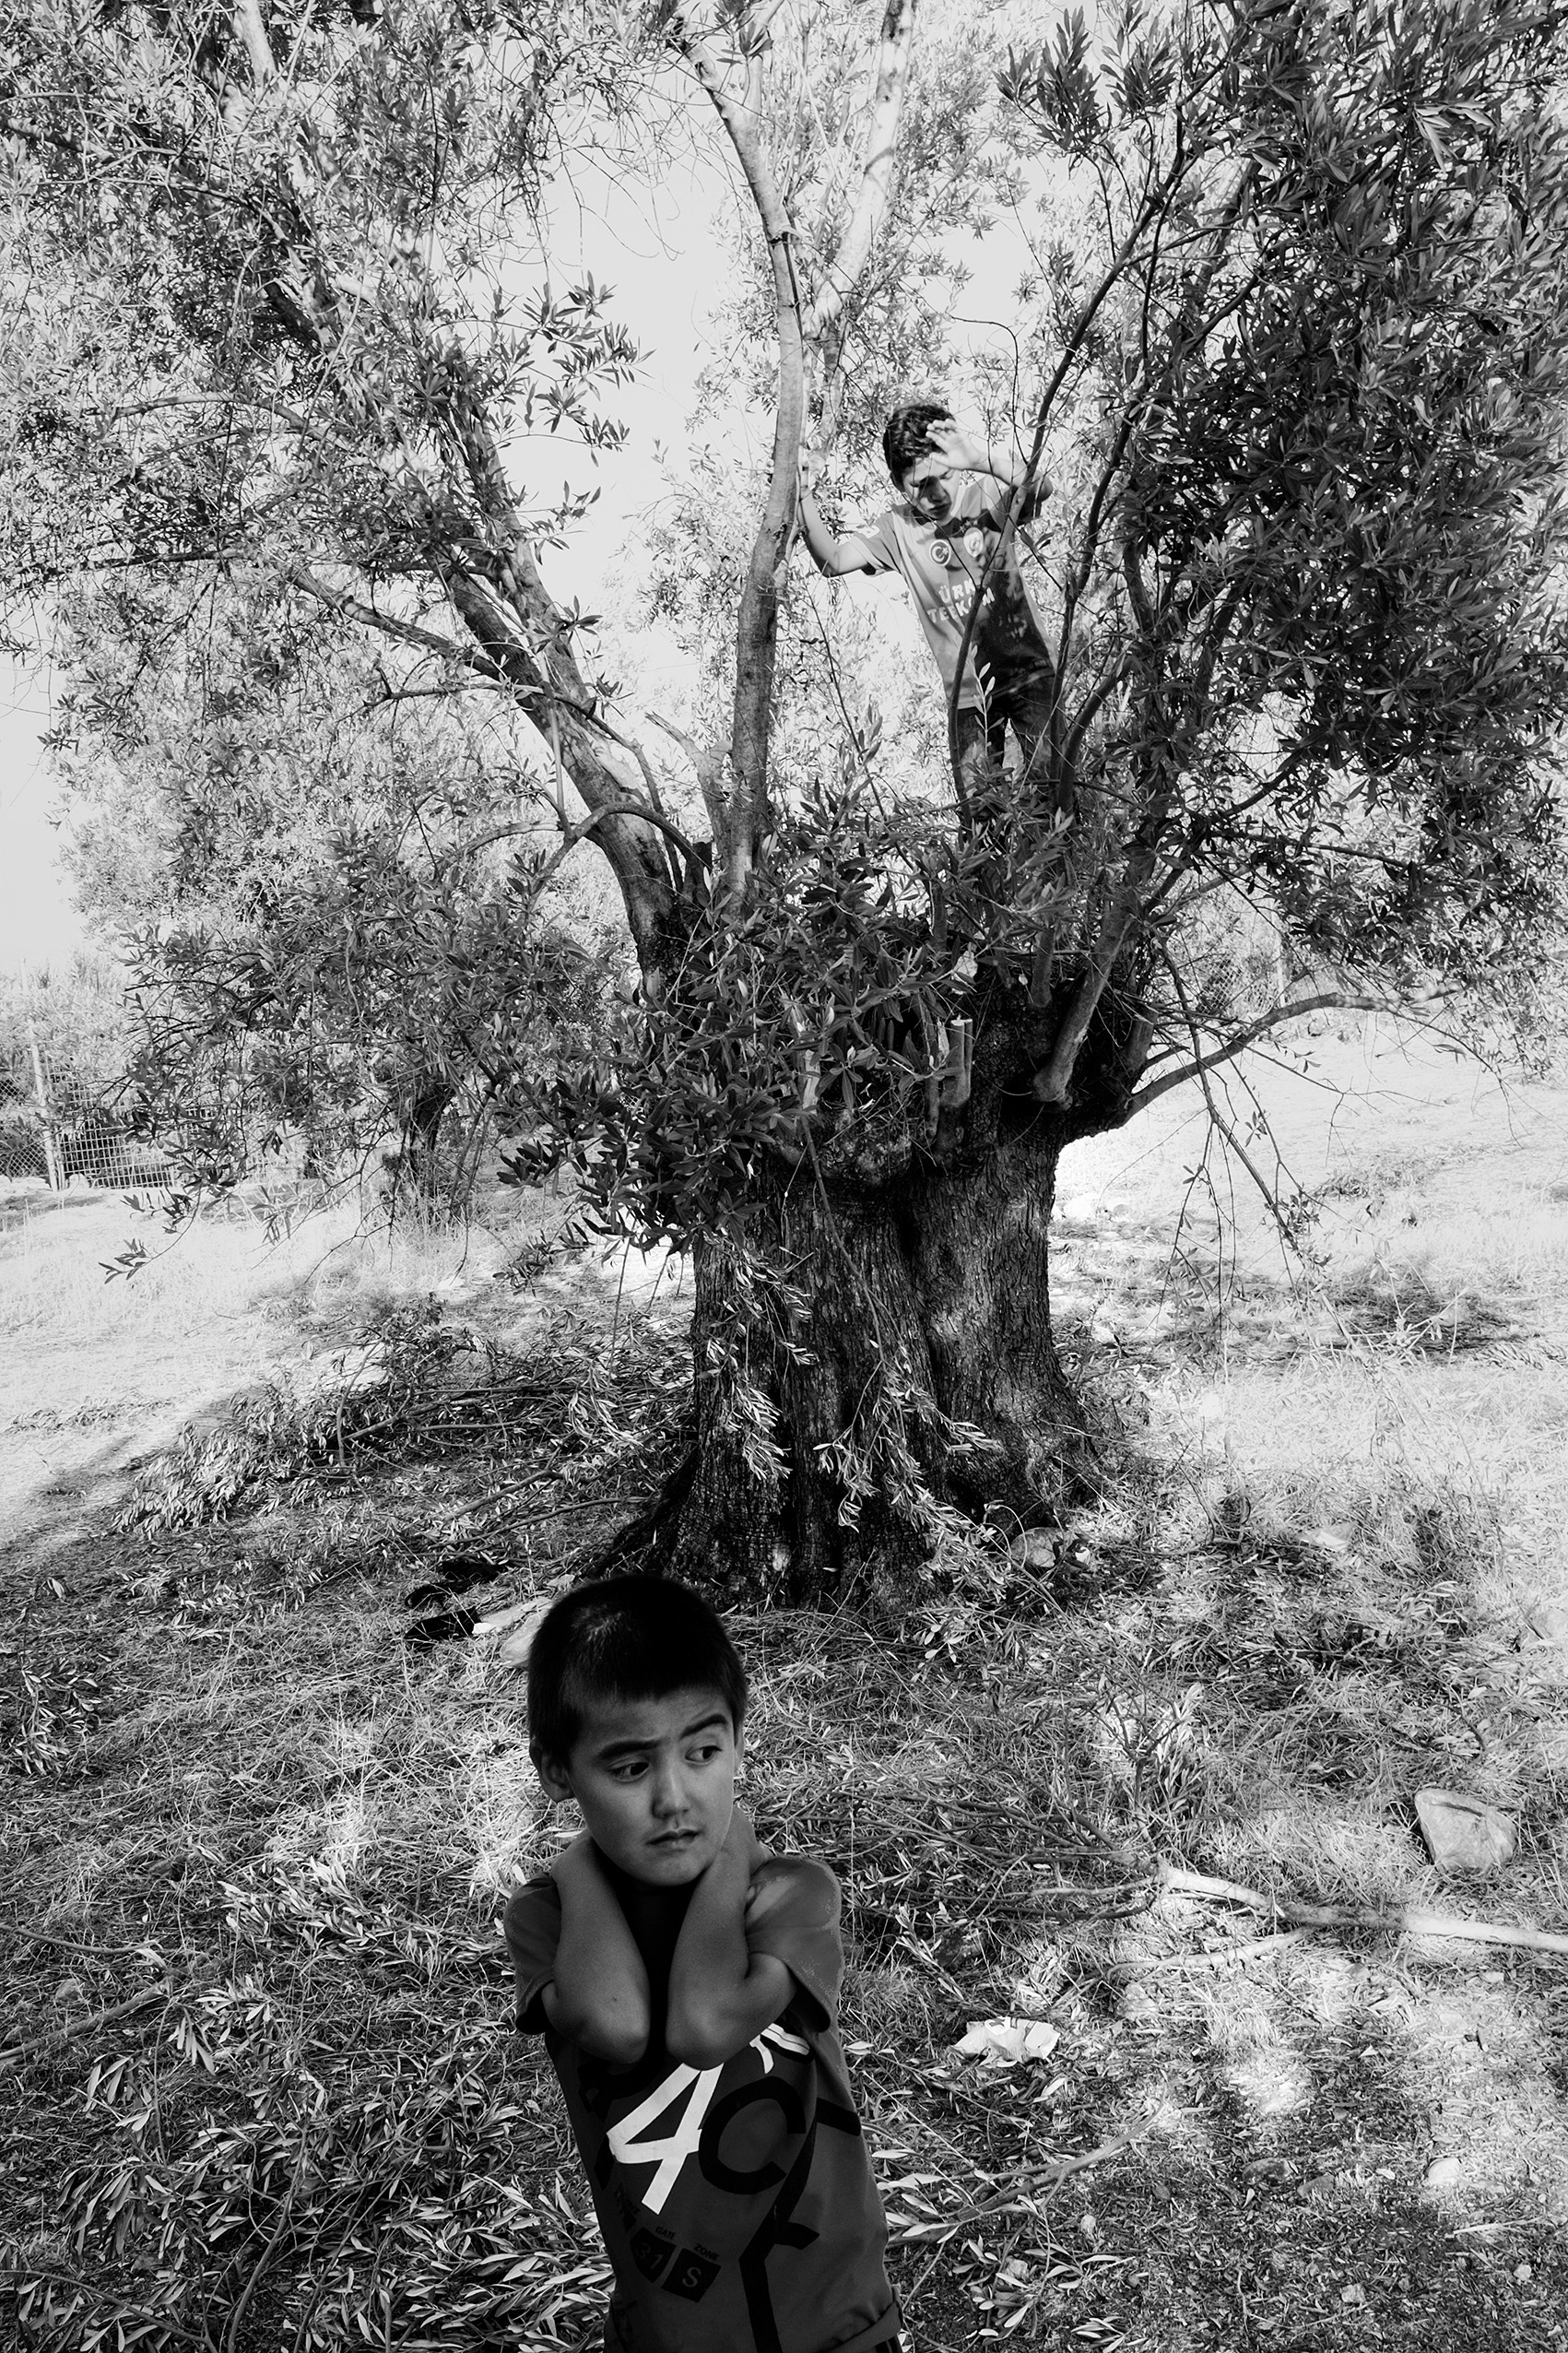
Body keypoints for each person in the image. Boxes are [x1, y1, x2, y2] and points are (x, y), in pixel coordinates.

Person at [505, 1574, 902, 2353]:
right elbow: (615, 2027)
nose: (675, 1798)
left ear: (738, 1743)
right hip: (669, 2320)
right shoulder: (549, 1915)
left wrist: (729, 1862)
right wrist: (583, 1865)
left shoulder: (790, 1893)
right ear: (558, 1773)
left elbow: (703, 2025)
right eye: (628, 1768)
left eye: (703, 1751)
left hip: (831, 2319)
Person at [796, 401, 1057, 814]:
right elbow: (833, 561)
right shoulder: (898, 530)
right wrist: (802, 494)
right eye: (920, 485)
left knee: (1051, 802)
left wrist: (978, 459)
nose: (936, 494)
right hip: (970, 698)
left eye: (945, 476)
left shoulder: (985, 497)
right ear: (900, 486)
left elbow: (1041, 487)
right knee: (981, 822)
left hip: (1030, 674)